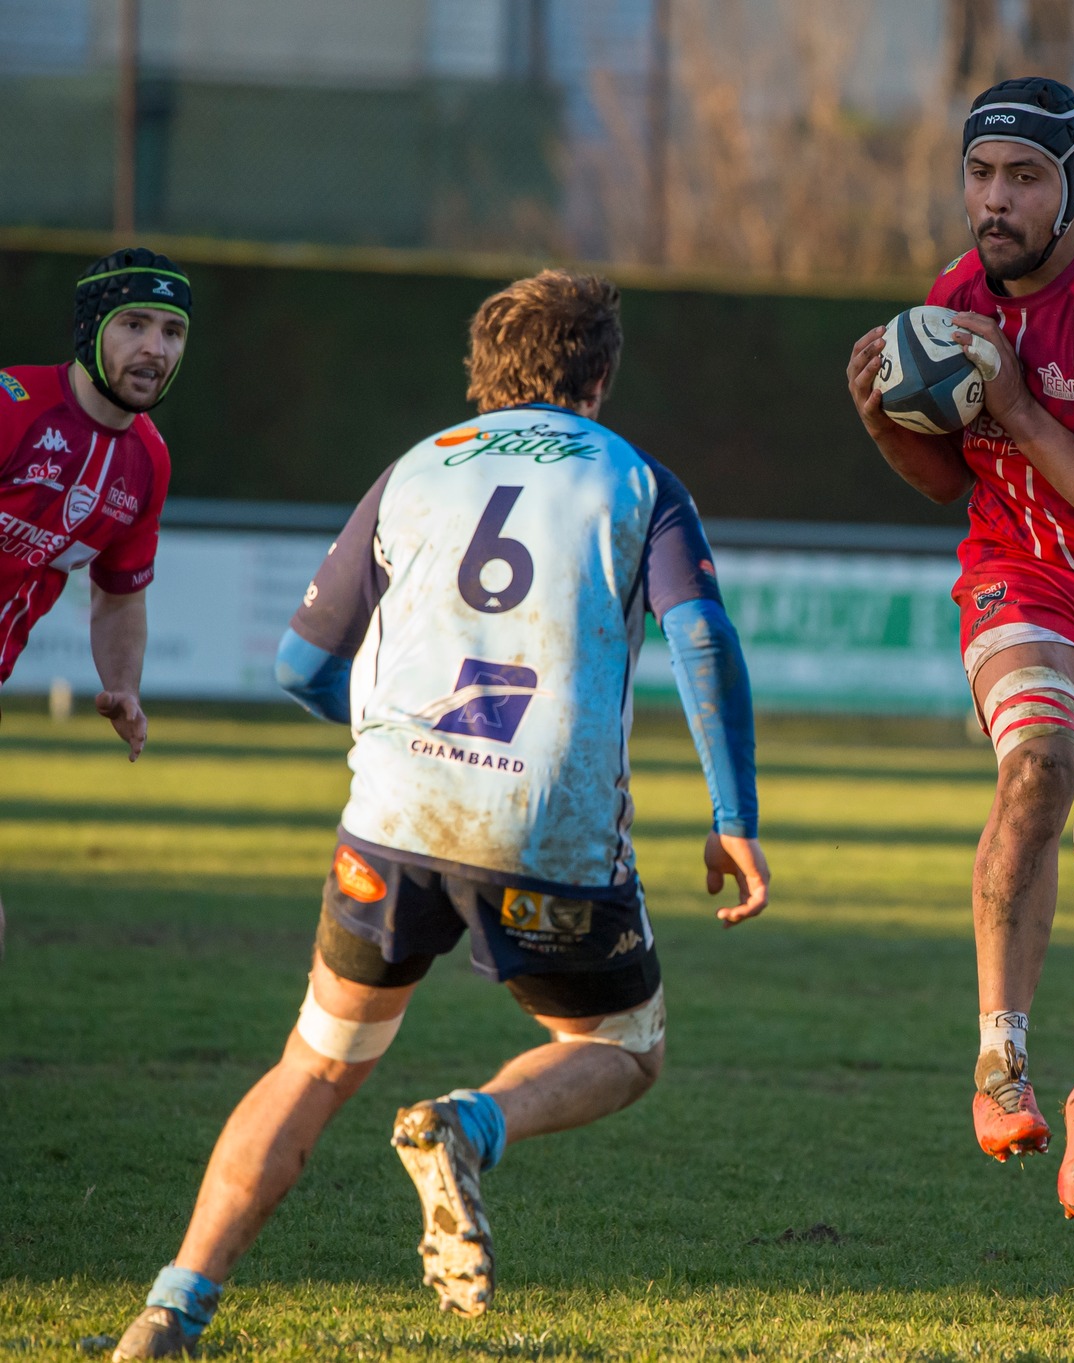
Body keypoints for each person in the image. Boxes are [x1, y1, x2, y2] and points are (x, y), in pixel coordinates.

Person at [113, 271, 770, 1359]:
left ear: (482, 373)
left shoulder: (419, 465)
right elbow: (700, 637)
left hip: (394, 817)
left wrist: (386, 743)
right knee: (623, 1043)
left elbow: (297, 664)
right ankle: (472, 1122)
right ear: (597, 376)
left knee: (316, 1062)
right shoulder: (635, 479)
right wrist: (731, 811)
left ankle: (169, 1310)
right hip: (545, 825)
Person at [845, 77, 1074, 1226]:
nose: (993, 200)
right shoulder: (955, 299)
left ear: (1071, 189)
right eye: (978, 173)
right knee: (1035, 762)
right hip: (1022, 573)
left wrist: (1011, 402)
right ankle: (999, 1055)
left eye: (1022, 178)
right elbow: (953, 483)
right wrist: (878, 418)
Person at [0, 246, 190, 760]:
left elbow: (120, 596)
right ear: (91, 327)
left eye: (173, 332)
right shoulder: (12, 407)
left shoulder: (149, 461)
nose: (156, 348)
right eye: (135, 324)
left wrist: (124, 685)